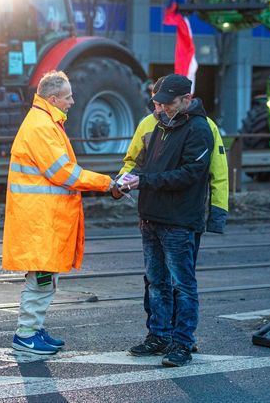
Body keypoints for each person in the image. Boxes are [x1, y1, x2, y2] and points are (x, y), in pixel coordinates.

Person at [2, 70, 115, 355]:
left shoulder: (45, 122)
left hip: (42, 219)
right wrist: (106, 183)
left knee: (44, 279)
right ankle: (26, 334)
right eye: (68, 96)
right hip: (42, 221)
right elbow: (63, 172)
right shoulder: (42, 126)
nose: (72, 101)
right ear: (53, 98)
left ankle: (33, 329)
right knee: (41, 279)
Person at [116, 76, 229, 353]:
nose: (161, 108)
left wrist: (142, 181)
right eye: (158, 102)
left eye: (168, 103)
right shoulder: (157, 124)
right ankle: (159, 336)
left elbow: (192, 174)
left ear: (186, 100)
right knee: (156, 282)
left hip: (179, 220)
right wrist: (123, 181)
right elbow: (140, 164)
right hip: (152, 217)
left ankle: (182, 343)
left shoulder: (201, 129)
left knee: (182, 285)